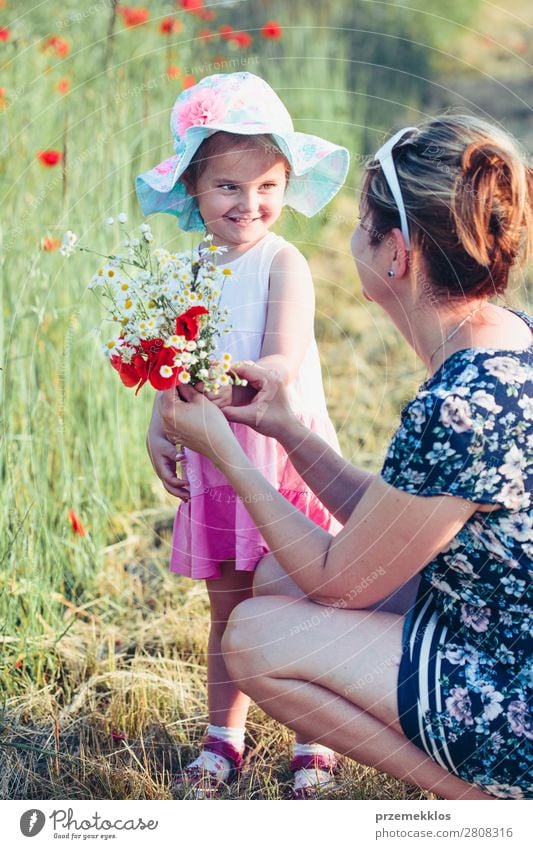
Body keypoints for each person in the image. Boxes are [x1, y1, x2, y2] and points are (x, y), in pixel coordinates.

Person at [155, 113, 533, 800]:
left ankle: (486, 804)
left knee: (253, 634)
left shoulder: (463, 402)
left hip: (511, 683)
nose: (350, 237)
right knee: (272, 581)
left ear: (397, 254)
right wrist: (287, 429)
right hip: (497, 620)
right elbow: (396, 525)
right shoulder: (505, 340)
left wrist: (227, 453)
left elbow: (340, 582)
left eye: (363, 224)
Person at [136, 72, 350, 797]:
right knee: (227, 607)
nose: (248, 203)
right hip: (216, 467)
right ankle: (222, 735)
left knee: (292, 601)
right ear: (193, 187)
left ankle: (311, 739)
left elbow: (280, 365)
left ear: (287, 182)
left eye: (266, 185)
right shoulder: (186, 269)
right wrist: (161, 424)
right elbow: (166, 365)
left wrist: (222, 388)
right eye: (228, 186)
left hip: (279, 459)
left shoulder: (282, 262)